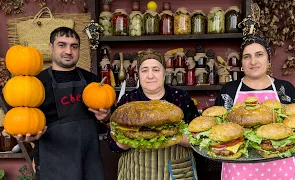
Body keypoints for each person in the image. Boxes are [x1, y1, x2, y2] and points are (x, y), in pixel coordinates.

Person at [4, 27, 109, 180]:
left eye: (74, 46)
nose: (68, 51)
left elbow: (107, 121)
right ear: (50, 47)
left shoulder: (92, 81)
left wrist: (106, 118)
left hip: (90, 161)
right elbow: (23, 120)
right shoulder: (35, 84)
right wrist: (28, 141)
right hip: (54, 163)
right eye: (62, 45)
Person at [214, 35, 295, 180]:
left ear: (268, 60)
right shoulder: (228, 91)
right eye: (247, 57)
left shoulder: (285, 89)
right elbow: (217, 128)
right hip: (237, 170)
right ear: (242, 62)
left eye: (259, 55)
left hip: (279, 168)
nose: (253, 62)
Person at [105, 49, 200, 180]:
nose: (150, 76)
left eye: (156, 69)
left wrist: (175, 137)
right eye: (144, 70)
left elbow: (198, 137)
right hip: (135, 172)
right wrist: (125, 141)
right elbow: (111, 142)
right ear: (138, 75)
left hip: (177, 171)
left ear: (164, 73)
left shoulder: (180, 97)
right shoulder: (128, 101)